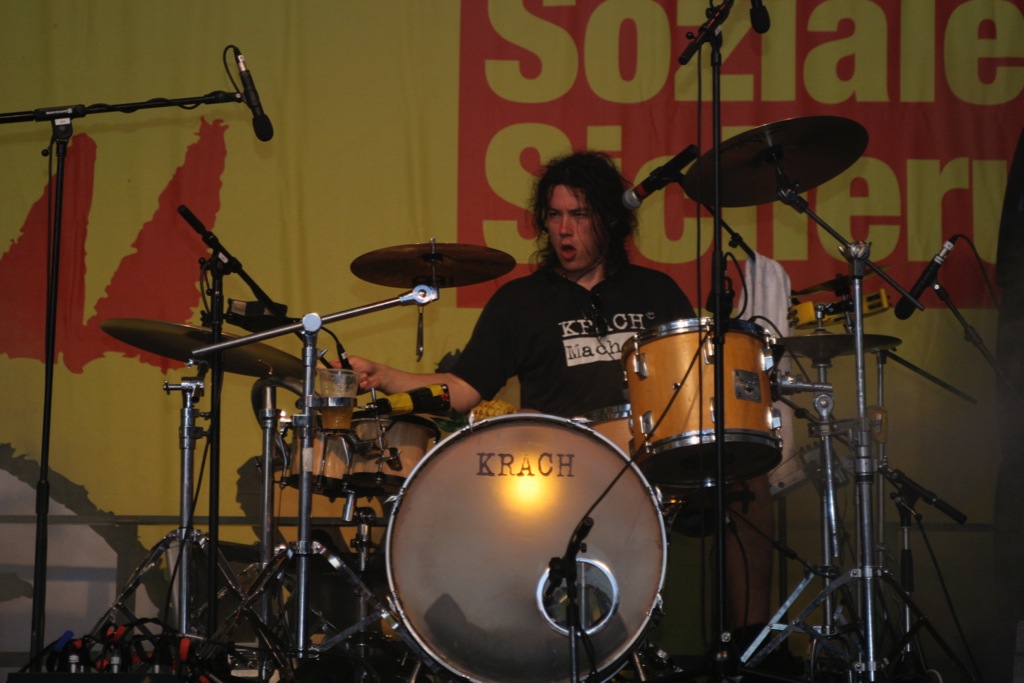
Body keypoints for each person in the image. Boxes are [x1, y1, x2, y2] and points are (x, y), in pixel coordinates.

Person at [351, 150, 785, 671]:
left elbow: (691, 384)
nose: (564, 229)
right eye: (555, 215)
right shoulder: (520, 301)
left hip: (647, 462)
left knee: (746, 476)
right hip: (556, 473)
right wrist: (388, 376)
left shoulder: (656, 292)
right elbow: (462, 390)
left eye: (579, 215)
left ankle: (752, 648)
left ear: (611, 220)